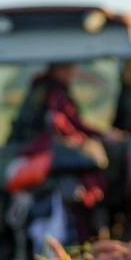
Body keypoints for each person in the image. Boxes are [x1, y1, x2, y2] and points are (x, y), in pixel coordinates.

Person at [8, 62, 119, 246]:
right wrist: (98, 136)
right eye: (66, 69)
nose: (71, 73)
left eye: (71, 68)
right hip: (44, 152)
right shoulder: (51, 93)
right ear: (56, 69)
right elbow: (65, 123)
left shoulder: (48, 90)